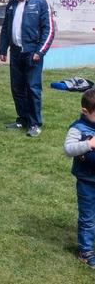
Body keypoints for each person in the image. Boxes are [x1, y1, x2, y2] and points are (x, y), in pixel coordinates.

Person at [0, 0, 54, 137]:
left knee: (32, 88)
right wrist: (3, 49)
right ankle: (22, 119)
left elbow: (49, 30)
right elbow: (5, 28)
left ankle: (35, 123)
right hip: (16, 53)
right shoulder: (11, 4)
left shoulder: (41, 3)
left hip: (32, 54)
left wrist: (40, 52)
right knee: (17, 88)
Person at [64, 88, 95, 268]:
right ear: (85, 111)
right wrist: (88, 144)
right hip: (87, 182)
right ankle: (85, 251)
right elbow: (68, 149)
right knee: (88, 217)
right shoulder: (78, 128)